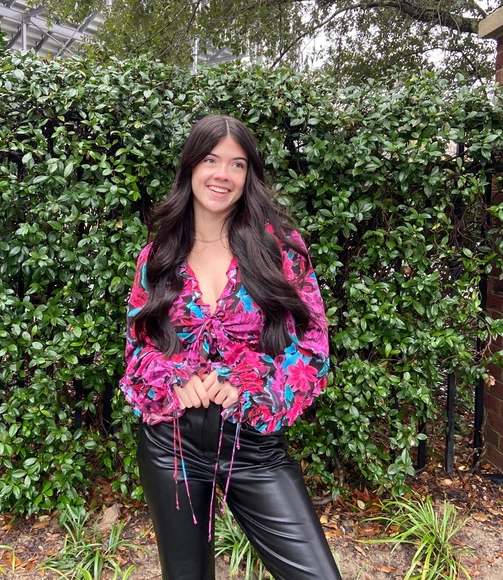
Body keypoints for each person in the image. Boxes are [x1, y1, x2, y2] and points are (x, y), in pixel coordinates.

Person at [119, 114, 342, 580]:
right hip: (171, 447)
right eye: (210, 160)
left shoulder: (280, 249)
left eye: (237, 164)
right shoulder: (158, 254)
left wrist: (248, 384)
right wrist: (175, 380)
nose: (222, 174)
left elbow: (313, 345)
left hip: (253, 446)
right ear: (190, 167)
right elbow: (138, 347)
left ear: (248, 175)